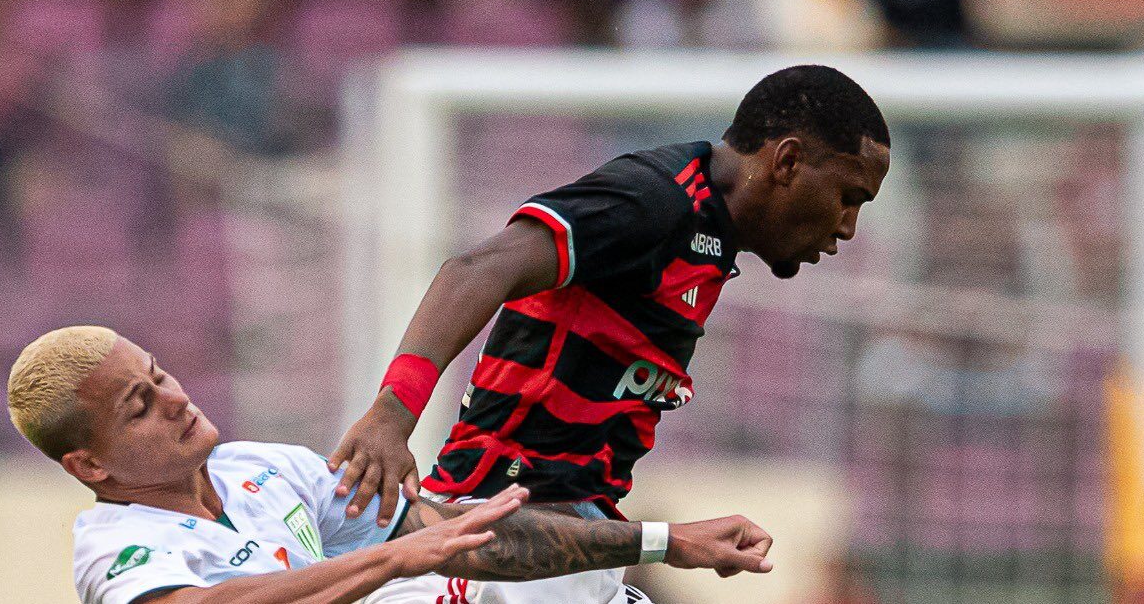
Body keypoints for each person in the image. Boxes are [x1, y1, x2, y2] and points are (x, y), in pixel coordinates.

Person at [331, 64, 890, 601]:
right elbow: (478, 269)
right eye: (848, 197)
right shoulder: (654, 201)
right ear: (787, 162)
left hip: (569, 548)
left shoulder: (710, 233)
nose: (847, 227)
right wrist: (391, 415)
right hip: (493, 540)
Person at [8, 326, 777, 604]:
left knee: (571, 586)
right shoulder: (115, 547)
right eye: (139, 406)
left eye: (160, 374)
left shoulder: (260, 468)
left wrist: (663, 543)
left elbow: (461, 538)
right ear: (90, 463)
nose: (174, 399)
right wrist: (393, 559)